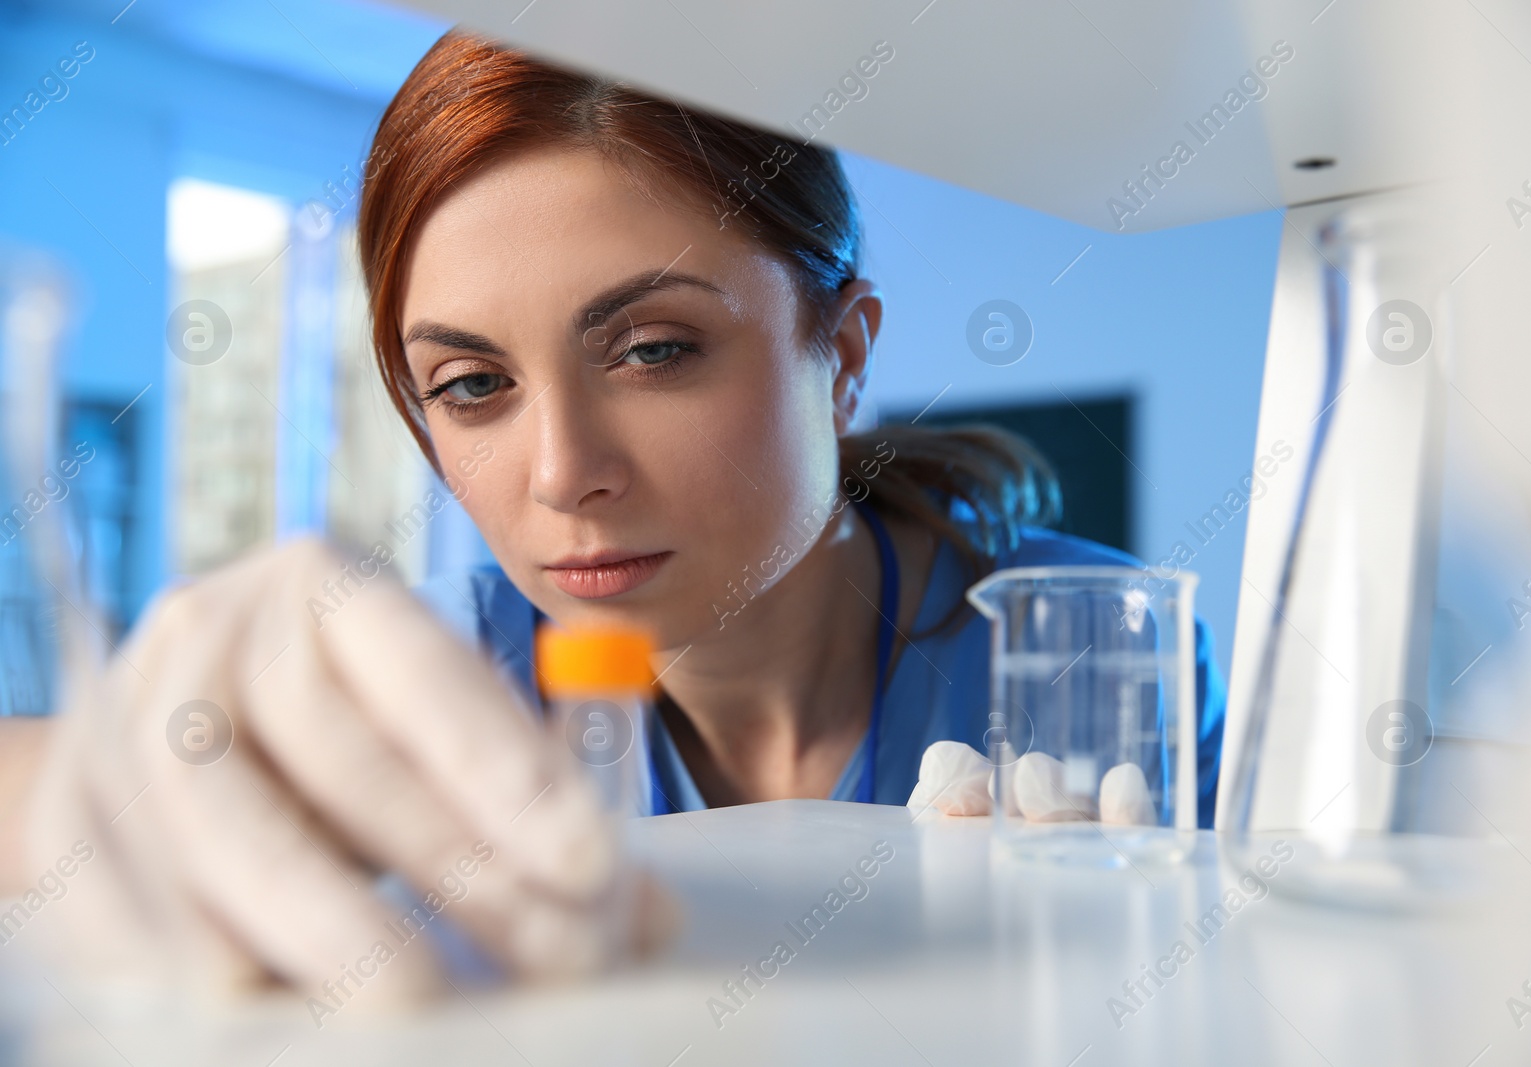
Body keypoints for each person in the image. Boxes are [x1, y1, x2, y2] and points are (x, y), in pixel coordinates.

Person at [0, 29, 1224, 996]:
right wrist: (130, 764)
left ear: (841, 355)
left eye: (652, 349)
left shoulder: (1083, 655)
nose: (559, 473)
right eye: (472, 385)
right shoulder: (464, 671)